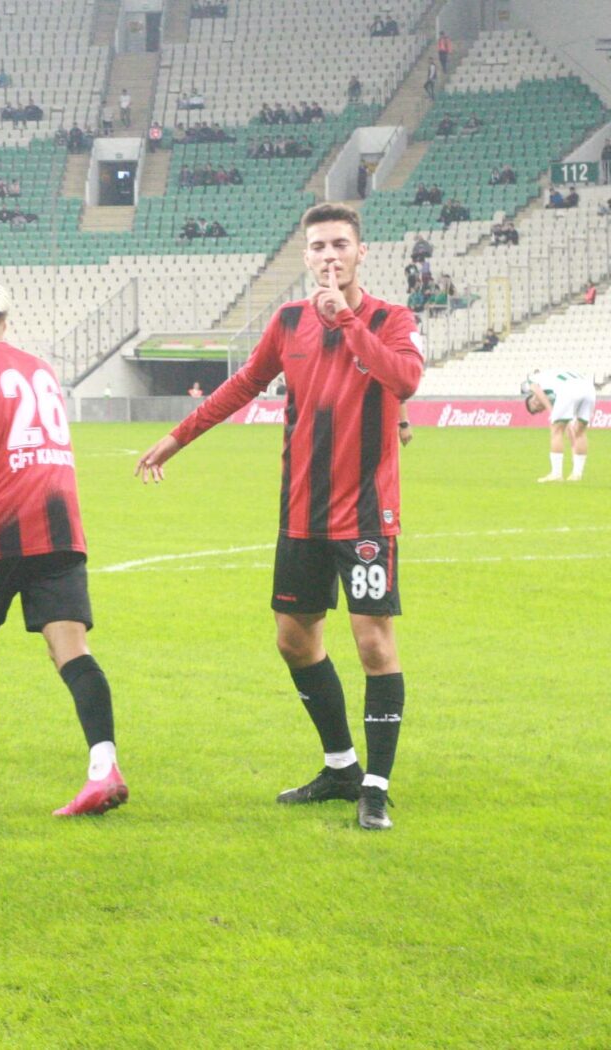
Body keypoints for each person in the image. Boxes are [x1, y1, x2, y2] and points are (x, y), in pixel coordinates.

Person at [135, 202, 421, 831]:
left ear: (360, 252)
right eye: (318, 247)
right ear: (306, 256)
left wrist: (346, 320)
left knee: (374, 643)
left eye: (340, 245)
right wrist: (177, 438)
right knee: (294, 640)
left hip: (368, 516)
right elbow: (242, 386)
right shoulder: (287, 322)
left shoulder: (393, 319)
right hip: (301, 514)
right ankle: (341, 766)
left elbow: (404, 377)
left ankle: (376, 786)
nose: (329, 256)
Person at [0, 278, 125, 815]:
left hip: (0, 524)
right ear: (5, 323)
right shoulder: (41, 368)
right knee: (71, 649)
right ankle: (104, 766)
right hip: (60, 519)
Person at [523, 368, 594, 482]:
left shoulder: (532, 380)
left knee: (556, 430)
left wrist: (551, 412)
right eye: (538, 409)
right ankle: (577, 474)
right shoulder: (552, 381)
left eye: (534, 404)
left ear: (532, 398)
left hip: (570, 388)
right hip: (588, 387)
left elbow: (538, 392)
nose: (538, 405)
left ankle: (556, 474)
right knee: (579, 432)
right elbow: (571, 433)